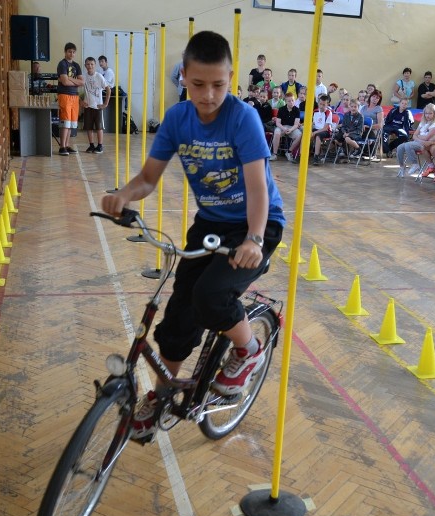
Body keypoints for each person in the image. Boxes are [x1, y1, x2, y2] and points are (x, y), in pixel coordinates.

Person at [100, 31, 284, 440]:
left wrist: (254, 239)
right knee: (180, 311)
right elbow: (149, 178)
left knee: (211, 295)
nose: (208, 95)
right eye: (198, 84)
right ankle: (163, 393)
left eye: (219, 84)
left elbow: (258, 187)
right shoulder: (177, 119)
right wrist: (122, 195)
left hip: (256, 223)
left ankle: (248, 350)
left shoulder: (242, 118)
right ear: (183, 76)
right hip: (211, 223)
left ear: (231, 78)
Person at [396, 103, 435, 178]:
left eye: (430, 113)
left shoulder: (434, 125)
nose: (428, 115)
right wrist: (419, 137)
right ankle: (402, 166)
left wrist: (418, 137)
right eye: (426, 113)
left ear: (434, 114)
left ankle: (415, 164)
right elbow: (414, 135)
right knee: (400, 147)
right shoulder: (422, 123)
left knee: (408, 145)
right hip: (418, 142)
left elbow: (426, 138)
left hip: (424, 145)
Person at [56, 42, 83, 156]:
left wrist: (70, 80)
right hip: (65, 95)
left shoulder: (76, 65)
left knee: (72, 123)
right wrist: (73, 81)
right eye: (69, 51)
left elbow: (82, 82)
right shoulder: (62, 64)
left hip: (75, 96)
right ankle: (62, 147)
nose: (71, 54)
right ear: (65, 52)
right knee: (65, 122)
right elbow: (65, 82)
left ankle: (67, 145)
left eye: (73, 52)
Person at [81, 57, 106, 154]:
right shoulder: (83, 77)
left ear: (95, 65)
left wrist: (105, 103)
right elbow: (77, 90)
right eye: (88, 64)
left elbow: (107, 89)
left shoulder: (99, 76)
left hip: (97, 106)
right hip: (88, 106)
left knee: (99, 127)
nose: (90, 66)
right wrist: (81, 102)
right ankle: (91, 145)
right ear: (85, 65)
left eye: (92, 64)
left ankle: (100, 146)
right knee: (89, 127)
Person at [272, 92, 302, 162]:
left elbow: (296, 124)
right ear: (285, 101)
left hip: (292, 127)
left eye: (292, 100)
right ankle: (274, 154)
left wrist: (291, 130)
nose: (291, 102)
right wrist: (284, 128)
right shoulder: (281, 109)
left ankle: (289, 152)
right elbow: (278, 123)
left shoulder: (297, 110)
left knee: (299, 135)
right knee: (276, 132)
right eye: (289, 101)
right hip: (282, 127)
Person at [307, 94, 334, 165]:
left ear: (327, 104)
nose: (321, 106)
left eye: (324, 105)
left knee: (318, 136)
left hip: (325, 131)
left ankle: (316, 157)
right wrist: (310, 131)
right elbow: (312, 123)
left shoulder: (328, 113)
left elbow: (325, 128)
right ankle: (302, 154)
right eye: (320, 104)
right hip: (316, 129)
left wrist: (315, 133)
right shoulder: (315, 111)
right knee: (305, 134)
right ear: (318, 103)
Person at [359, 90, 384, 160]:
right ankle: (353, 151)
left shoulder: (379, 109)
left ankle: (361, 151)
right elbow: (359, 120)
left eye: (377, 98)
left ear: (379, 100)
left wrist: (369, 127)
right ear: (370, 97)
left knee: (360, 133)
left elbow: (380, 125)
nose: (375, 99)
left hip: (373, 131)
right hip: (362, 129)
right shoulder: (364, 108)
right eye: (374, 96)